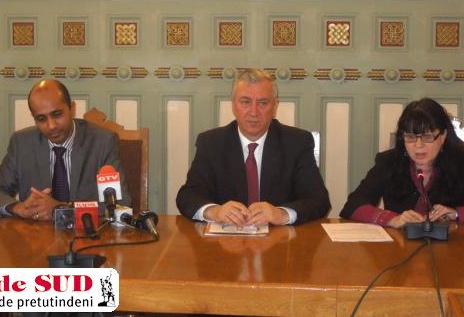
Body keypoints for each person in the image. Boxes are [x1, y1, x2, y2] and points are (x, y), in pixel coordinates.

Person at [176, 68, 330, 226]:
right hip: (226, 239)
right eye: (245, 102)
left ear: (275, 107)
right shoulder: (211, 143)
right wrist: (214, 211)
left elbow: (319, 200)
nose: (254, 112)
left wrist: (282, 214)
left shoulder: (297, 142)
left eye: (263, 103)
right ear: (233, 105)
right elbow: (188, 195)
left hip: (280, 238)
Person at [0, 78, 131, 220]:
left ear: (72, 109)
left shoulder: (102, 141)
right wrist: (18, 208)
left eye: (57, 114)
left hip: (86, 232)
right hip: (37, 234)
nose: (51, 125)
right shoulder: (22, 143)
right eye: (41, 119)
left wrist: (60, 208)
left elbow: (120, 203)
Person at [340, 98, 464, 227]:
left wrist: (456, 213)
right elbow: (353, 206)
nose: (418, 145)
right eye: (410, 137)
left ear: (443, 136)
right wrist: (393, 219)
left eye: (427, 137)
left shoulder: (460, 161)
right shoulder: (389, 161)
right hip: (400, 239)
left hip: (452, 239)